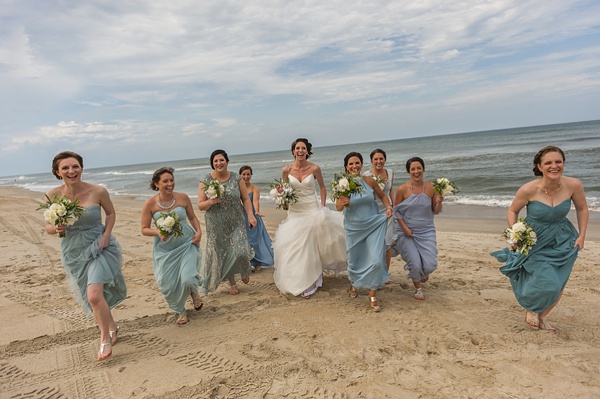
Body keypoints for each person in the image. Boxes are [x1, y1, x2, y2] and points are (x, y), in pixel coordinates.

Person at [491, 146, 588, 332]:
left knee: (559, 281)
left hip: (563, 239)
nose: (554, 166)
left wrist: (582, 235)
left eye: (558, 161)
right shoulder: (528, 189)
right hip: (535, 240)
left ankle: (542, 316)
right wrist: (515, 234)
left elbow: (583, 209)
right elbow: (512, 211)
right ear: (539, 166)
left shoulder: (574, 185)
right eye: (548, 163)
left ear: (564, 164)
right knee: (547, 281)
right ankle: (532, 307)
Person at [43, 151, 126, 361]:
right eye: (66, 168)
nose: (71, 171)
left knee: (94, 295)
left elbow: (111, 213)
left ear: (81, 168)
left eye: (76, 166)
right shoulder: (52, 195)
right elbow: (47, 227)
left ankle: (104, 339)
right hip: (73, 250)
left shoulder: (98, 191)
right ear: (57, 172)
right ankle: (112, 325)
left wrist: (106, 235)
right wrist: (56, 227)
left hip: (99, 246)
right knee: (94, 294)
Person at [273, 138, 347, 298]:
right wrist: (282, 199)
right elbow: (284, 190)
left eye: (303, 148)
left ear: (307, 151)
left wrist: (322, 205)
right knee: (296, 246)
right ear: (293, 151)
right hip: (295, 211)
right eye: (297, 148)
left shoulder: (315, 168)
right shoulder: (286, 170)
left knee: (312, 243)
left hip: (312, 208)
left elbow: (322, 187)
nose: (300, 151)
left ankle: (315, 276)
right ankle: (299, 277)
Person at [141, 167, 204, 325]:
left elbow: (192, 217)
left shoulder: (183, 198)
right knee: (168, 284)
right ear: (156, 184)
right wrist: (158, 232)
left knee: (188, 278)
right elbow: (144, 229)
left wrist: (199, 231)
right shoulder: (150, 204)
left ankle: (194, 292)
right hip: (165, 249)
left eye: (172, 180)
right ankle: (180, 310)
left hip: (186, 244)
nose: (170, 184)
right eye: (165, 181)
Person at [336, 152, 392, 312]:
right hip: (353, 227)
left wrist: (388, 207)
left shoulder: (369, 181)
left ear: (361, 164)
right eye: (351, 164)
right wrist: (343, 201)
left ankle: (372, 293)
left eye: (357, 163)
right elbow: (339, 208)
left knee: (376, 259)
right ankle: (354, 284)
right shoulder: (342, 184)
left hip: (372, 224)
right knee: (355, 259)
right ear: (346, 167)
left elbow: (382, 196)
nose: (354, 166)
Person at [197, 150, 256, 295]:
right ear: (212, 164)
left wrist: (250, 215)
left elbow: (246, 199)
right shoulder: (206, 180)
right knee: (223, 252)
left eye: (221, 160)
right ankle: (232, 283)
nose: (219, 163)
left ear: (227, 162)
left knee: (241, 251)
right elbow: (200, 205)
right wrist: (210, 201)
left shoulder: (237, 178)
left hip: (236, 221)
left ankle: (244, 268)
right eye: (215, 161)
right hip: (216, 223)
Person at [393, 157, 443, 300]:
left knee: (430, 265)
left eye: (419, 168)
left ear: (423, 169)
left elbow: (436, 210)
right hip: (406, 232)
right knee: (415, 263)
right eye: (413, 169)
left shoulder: (432, 188)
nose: (416, 171)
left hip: (427, 231)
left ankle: (423, 273)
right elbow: (396, 212)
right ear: (409, 171)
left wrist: (439, 202)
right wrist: (405, 229)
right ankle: (418, 289)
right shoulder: (402, 189)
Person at [363, 148, 397, 272]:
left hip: (388, 212)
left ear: (385, 160)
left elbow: (390, 190)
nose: (379, 161)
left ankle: (385, 273)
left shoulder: (390, 172)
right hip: (373, 213)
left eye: (381, 159)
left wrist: (393, 205)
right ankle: (373, 269)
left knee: (387, 243)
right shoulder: (366, 176)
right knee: (375, 244)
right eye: (376, 159)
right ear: (371, 161)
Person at [239, 165, 274, 271]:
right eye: (244, 174)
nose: (246, 176)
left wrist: (257, 211)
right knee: (244, 240)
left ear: (251, 175)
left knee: (255, 241)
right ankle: (248, 262)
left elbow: (255, 201)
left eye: (248, 174)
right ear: (240, 175)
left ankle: (258, 263)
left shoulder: (254, 188)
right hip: (241, 216)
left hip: (252, 216)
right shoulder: (238, 187)